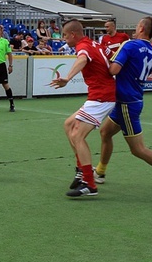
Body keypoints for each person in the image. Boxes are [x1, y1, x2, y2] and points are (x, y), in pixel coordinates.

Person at [95, 17, 152, 194]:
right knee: (105, 132)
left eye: (137, 24)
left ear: (141, 28)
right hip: (131, 99)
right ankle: (100, 172)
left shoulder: (130, 45)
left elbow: (113, 70)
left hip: (126, 103)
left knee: (138, 149)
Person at [49, 19, 115, 197]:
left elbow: (83, 59)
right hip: (102, 94)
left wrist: (68, 78)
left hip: (102, 97)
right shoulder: (96, 43)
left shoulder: (82, 46)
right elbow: (113, 60)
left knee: (77, 135)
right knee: (68, 125)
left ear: (73, 34)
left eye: (64, 35)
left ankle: (89, 183)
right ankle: (82, 170)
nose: (63, 39)